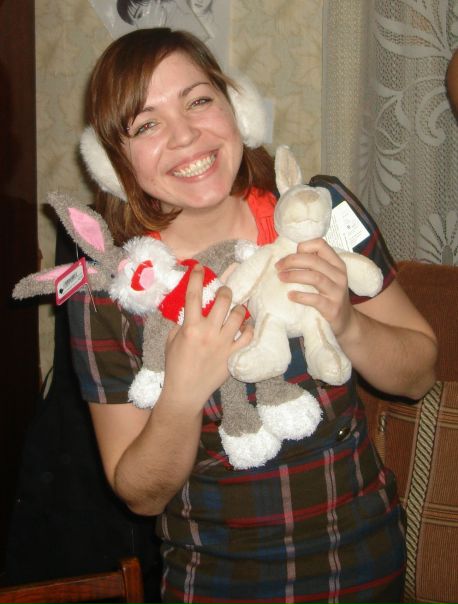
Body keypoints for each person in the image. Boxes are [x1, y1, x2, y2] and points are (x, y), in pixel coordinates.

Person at [68, 27, 438, 603]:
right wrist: (181, 393)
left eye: (198, 100)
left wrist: (347, 321)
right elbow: (141, 495)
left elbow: (419, 376)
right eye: (146, 125)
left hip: (365, 565)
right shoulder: (109, 291)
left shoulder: (319, 212)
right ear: (115, 164)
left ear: (236, 108)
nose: (185, 135)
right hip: (218, 583)